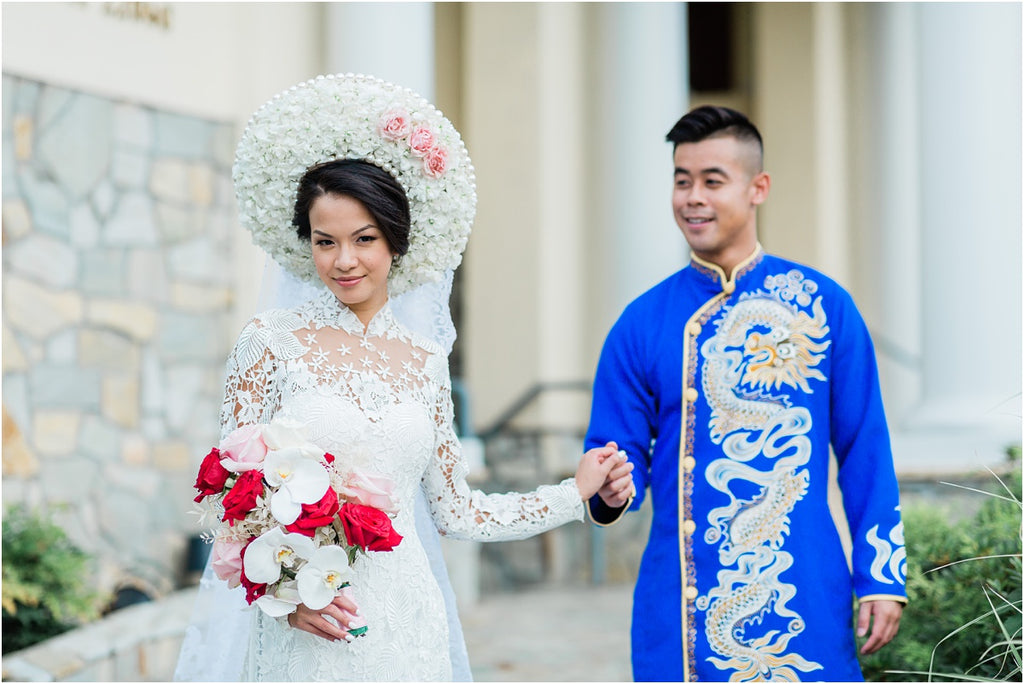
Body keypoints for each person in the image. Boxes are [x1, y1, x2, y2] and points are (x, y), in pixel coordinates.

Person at [174, 74, 622, 682]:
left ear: (395, 242)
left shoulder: (425, 361)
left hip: (408, 624)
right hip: (309, 626)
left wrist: (574, 494)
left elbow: (458, 512)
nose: (344, 260)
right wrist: (284, 596)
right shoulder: (270, 342)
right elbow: (235, 498)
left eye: (364, 239)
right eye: (325, 241)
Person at [584, 105, 907, 682]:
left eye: (712, 181)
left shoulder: (822, 305)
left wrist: (881, 575)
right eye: (681, 180)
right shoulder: (641, 323)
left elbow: (865, 447)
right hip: (677, 597)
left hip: (802, 587)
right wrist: (610, 483)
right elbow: (615, 453)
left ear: (758, 188)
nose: (692, 197)